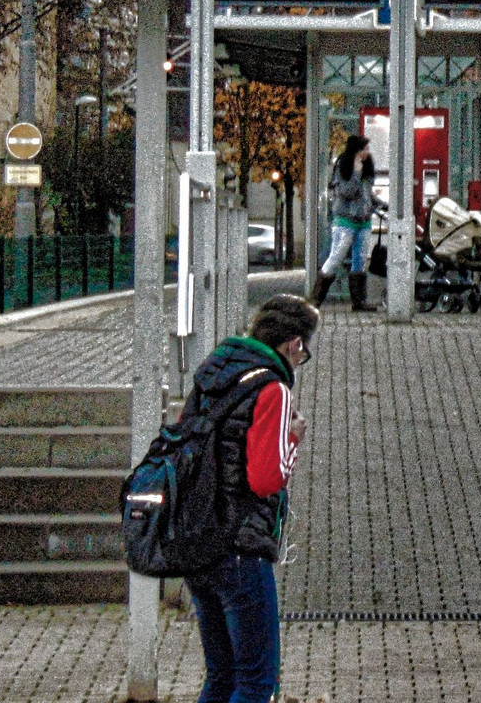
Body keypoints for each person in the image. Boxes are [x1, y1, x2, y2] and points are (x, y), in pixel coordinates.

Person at [183, 293, 315, 703]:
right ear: (293, 343)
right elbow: (265, 479)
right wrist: (292, 440)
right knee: (257, 683)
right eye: (304, 350)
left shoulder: (216, 371)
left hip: (198, 539)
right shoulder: (271, 389)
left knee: (220, 678)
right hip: (240, 548)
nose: (302, 358)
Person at [312, 135, 385, 311]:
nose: (367, 153)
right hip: (345, 220)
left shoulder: (367, 167)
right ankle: (315, 300)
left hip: (363, 220)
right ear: (356, 151)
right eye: (364, 149)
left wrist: (380, 204)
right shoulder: (343, 167)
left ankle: (359, 301)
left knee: (359, 260)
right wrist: (357, 173)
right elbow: (348, 192)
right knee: (336, 256)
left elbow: (366, 194)